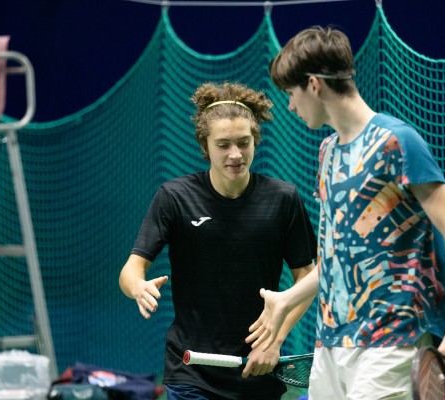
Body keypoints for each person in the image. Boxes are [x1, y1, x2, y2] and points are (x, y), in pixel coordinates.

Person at [245, 26, 445, 400]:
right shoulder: (328, 153)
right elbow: (338, 253)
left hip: (392, 340)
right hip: (330, 345)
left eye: (291, 93)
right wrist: (288, 298)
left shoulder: (396, 141)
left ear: (314, 85)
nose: (290, 106)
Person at [119, 82, 317, 400]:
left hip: (258, 369)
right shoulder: (174, 197)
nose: (235, 154)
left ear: (255, 141)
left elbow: (307, 277)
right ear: (205, 145)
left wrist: (274, 340)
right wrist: (137, 287)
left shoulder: (283, 199)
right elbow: (131, 269)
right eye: (223, 145)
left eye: (244, 143)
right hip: (191, 371)